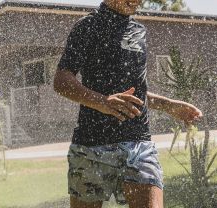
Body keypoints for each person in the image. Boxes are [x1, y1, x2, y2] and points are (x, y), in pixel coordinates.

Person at [53, 0, 203, 208]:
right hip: (91, 145)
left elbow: (134, 91)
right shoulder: (87, 26)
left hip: (138, 144)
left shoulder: (138, 31)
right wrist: (102, 102)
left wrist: (169, 105)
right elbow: (61, 81)